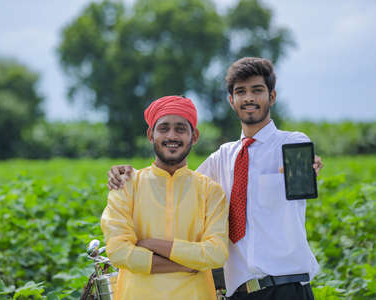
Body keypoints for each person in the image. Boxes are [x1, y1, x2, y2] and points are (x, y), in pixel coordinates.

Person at [107, 57, 323, 300]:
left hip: (287, 288)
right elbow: (176, 180)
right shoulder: (223, 157)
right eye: (241, 92)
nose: (249, 98)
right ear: (232, 101)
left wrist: (311, 164)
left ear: (271, 97)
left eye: (257, 90)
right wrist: (126, 174)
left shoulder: (291, 144)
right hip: (239, 293)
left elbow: (307, 166)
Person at [101, 95, 229, 300]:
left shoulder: (210, 191)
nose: (172, 135)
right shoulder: (126, 186)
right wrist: (184, 264)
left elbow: (216, 254)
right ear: (150, 134)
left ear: (194, 136)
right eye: (163, 128)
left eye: (180, 128)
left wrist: (153, 244)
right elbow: (118, 251)